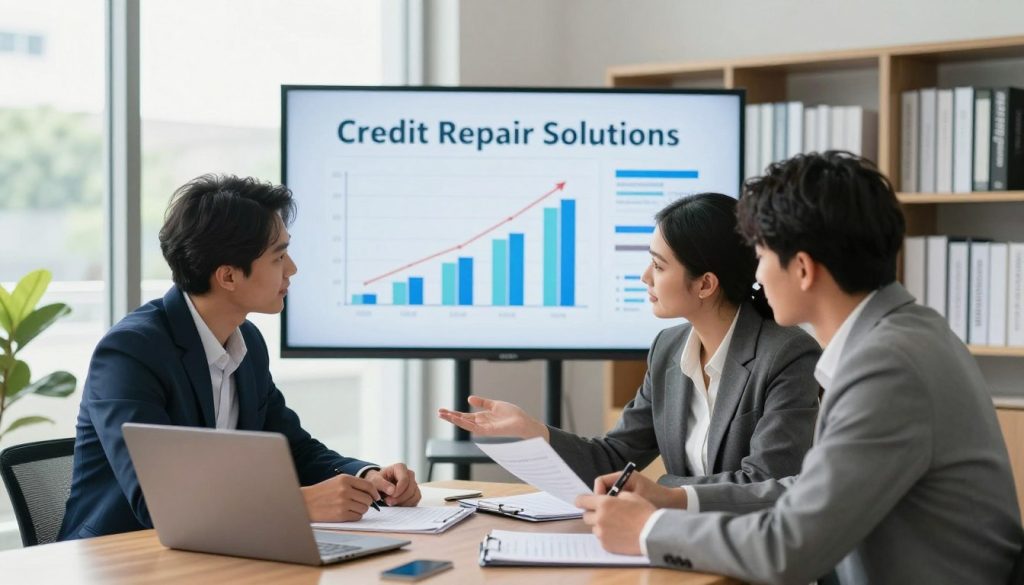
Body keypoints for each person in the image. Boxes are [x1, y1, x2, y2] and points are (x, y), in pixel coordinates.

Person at [576, 152, 1023, 584]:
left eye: (763, 255)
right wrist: (677, 499)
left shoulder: (886, 366)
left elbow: (791, 546)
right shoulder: (908, 332)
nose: (757, 275)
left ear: (804, 269)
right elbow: (812, 492)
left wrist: (649, 532)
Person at [59, 174, 421, 541]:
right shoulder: (131, 352)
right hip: (120, 560)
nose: (292, 269)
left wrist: (368, 478)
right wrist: (297, 504)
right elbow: (156, 500)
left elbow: (291, 449)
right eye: (279, 256)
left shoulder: (245, 341)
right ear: (228, 276)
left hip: (212, 549)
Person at [438, 193, 821, 488]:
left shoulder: (787, 355)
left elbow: (766, 484)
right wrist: (534, 431)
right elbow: (615, 456)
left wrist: (661, 491)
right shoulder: (668, 349)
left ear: (705, 283)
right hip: (685, 547)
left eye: (658, 265)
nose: (645, 277)